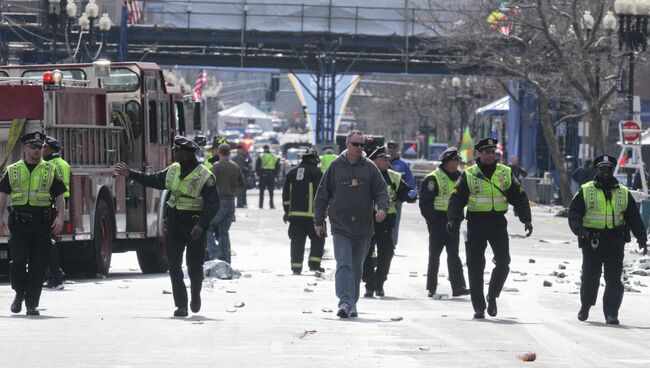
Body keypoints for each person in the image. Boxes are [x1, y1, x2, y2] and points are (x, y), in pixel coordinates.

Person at [114, 136, 219, 317]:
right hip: (174, 223)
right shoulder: (173, 170)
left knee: (194, 266)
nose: (173, 153)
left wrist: (201, 225)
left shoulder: (205, 176)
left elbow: (213, 205)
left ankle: (195, 295)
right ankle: (181, 305)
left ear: (186, 154)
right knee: (174, 265)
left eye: (176, 151)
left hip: (194, 226)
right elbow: (153, 180)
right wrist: (130, 173)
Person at [447, 137, 533, 319]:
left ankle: (492, 296)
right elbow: (456, 199)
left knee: (504, 262)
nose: (490, 155)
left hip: (497, 222)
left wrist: (526, 219)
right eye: (486, 152)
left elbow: (519, 196)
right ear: (479, 153)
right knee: (475, 266)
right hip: (476, 223)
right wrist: (454, 220)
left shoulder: (505, 172)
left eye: (493, 152)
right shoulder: (469, 174)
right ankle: (479, 307)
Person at [314, 130, 390, 318]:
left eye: (362, 145)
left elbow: (381, 191)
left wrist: (382, 208)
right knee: (344, 263)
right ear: (347, 145)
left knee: (357, 267)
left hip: (363, 227)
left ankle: (351, 302)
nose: (359, 148)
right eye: (355, 144)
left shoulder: (370, 167)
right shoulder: (335, 167)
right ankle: (345, 301)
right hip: (341, 226)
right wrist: (318, 221)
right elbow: (322, 195)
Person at [568, 154, 647, 325]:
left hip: (615, 241)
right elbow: (574, 212)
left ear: (612, 171)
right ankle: (586, 305)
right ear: (596, 170)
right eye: (602, 168)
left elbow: (634, 217)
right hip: (592, 241)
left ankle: (611, 313)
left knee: (614, 279)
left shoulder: (623, 193)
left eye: (608, 169)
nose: (605, 172)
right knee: (590, 277)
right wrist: (578, 229)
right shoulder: (586, 190)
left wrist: (642, 239)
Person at [0, 132, 66, 316]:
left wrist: (60, 217)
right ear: (25, 148)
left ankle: (31, 304)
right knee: (18, 262)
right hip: (19, 224)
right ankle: (19, 293)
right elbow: (3, 194)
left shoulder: (50, 170)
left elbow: (60, 195)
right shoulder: (13, 170)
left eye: (40, 147)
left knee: (39, 265)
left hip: (42, 224)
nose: (37, 150)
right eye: (33, 147)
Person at [362, 145, 414, 298]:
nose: (387, 161)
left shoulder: (394, 176)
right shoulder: (365, 175)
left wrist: (410, 196)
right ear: (374, 160)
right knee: (366, 253)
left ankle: (380, 283)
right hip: (367, 220)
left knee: (387, 253)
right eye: (383, 159)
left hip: (386, 222)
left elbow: (406, 193)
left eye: (388, 159)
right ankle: (369, 285)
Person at [419, 147, 469, 298]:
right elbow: (425, 204)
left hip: (453, 221)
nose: (458, 163)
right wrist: (433, 221)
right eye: (456, 160)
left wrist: (458, 217)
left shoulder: (460, 177)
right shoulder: (433, 178)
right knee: (434, 255)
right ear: (448, 162)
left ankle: (458, 287)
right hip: (437, 221)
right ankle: (431, 287)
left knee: (453, 254)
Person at [282, 148, 325, 274]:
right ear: (313, 158)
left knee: (297, 241)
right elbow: (321, 194)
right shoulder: (317, 172)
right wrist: (323, 212)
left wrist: (287, 212)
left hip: (295, 216)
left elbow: (286, 195)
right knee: (318, 240)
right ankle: (314, 265)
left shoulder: (292, 172)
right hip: (313, 215)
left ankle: (296, 267)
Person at [206, 143, 245, 264]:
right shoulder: (235, 166)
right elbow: (242, 183)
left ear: (218, 152)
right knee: (224, 231)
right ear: (229, 153)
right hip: (231, 202)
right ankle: (226, 260)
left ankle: (214, 252)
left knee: (206, 227)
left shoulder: (217, 166)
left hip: (220, 202)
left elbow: (209, 183)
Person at [43, 136, 70, 290]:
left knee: (48, 243)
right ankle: (55, 274)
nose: (42, 150)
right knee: (51, 242)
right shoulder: (64, 164)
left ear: (51, 149)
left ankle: (55, 276)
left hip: (50, 205)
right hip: (60, 205)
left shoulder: (47, 165)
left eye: (44, 147)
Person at [386, 141, 417, 248]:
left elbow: (410, 181)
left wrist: (412, 192)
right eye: (389, 147)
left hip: (396, 198)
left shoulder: (403, 165)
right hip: (381, 197)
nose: (391, 149)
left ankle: (391, 244)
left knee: (395, 221)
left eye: (394, 147)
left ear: (397, 150)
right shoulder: (381, 161)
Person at [256, 144, 280, 209]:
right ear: (268, 148)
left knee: (261, 191)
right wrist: (275, 175)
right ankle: (271, 205)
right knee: (271, 191)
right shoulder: (274, 156)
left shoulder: (261, 156)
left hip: (263, 175)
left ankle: (261, 205)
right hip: (271, 175)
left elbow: (257, 166)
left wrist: (259, 174)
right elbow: (278, 166)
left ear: (263, 149)